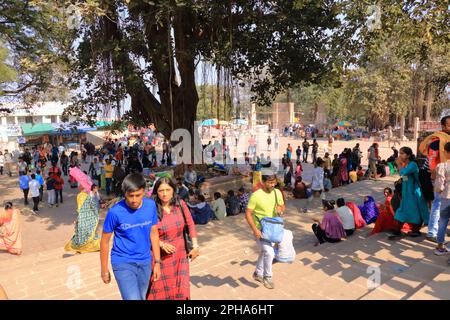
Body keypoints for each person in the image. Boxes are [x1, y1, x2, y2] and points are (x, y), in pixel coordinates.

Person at [100, 173, 161, 300]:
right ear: (125, 194)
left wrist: (157, 262)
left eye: (137, 195)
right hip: (123, 262)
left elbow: (154, 234)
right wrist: (104, 270)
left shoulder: (150, 206)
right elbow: (105, 241)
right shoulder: (114, 212)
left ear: (143, 191)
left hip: (145, 261)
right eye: (130, 196)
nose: (134, 200)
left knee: (142, 297)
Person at [146, 177, 199, 300]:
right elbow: (145, 232)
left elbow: (190, 224)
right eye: (161, 190)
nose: (164, 194)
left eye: (168, 190)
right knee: (160, 290)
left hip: (180, 254)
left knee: (181, 290)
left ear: (173, 190)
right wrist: (161, 244)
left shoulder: (180, 204)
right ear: (156, 192)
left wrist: (195, 246)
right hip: (160, 257)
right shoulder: (151, 208)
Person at [245, 171, 285, 290]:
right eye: (270, 182)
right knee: (269, 252)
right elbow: (248, 214)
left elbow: (283, 206)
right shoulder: (256, 195)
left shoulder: (277, 193)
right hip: (261, 229)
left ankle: (257, 273)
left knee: (264, 252)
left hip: (273, 229)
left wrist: (281, 209)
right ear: (263, 182)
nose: (273, 185)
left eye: (274, 182)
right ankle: (267, 276)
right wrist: (255, 230)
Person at [419, 115, 450, 242]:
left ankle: (439, 230)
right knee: (437, 204)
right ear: (443, 126)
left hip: (446, 174)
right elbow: (432, 158)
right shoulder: (437, 139)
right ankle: (432, 232)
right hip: (438, 175)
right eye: (449, 125)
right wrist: (434, 175)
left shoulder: (447, 139)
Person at [389, 147, 430, 239]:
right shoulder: (406, 164)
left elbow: (403, 173)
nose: (400, 155)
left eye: (402, 153)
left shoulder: (412, 165)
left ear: (408, 155)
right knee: (402, 210)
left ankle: (415, 230)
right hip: (407, 191)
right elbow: (405, 178)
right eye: (400, 153)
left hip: (414, 192)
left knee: (413, 211)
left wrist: (399, 164)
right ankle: (398, 230)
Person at [65, 184, 101, 253]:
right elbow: (93, 206)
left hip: (82, 217)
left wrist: (78, 218)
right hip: (90, 216)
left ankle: (81, 248)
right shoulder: (87, 196)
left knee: (82, 233)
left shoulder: (79, 196)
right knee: (91, 232)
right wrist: (96, 215)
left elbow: (80, 208)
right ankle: (95, 246)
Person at [433, 142, 450, 260]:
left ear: (446, 152)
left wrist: (440, 191)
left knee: (443, 220)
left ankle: (440, 246)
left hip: (446, 196)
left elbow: (439, 185)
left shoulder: (442, 166)